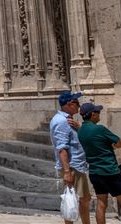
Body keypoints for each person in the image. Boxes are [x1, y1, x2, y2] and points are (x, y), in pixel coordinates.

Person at [76, 103, 121, 224]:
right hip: (109, 171)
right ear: (92, 114)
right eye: (97, 112)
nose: (99, 115)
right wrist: (110, 146)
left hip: (94, 172)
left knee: (101, 203)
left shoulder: (81, 131)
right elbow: (120, 143)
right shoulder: (99, 129)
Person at [50, 91, 92, 224]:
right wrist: (67, 172)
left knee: (78, 200)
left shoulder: (67, 120)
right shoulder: (62, 121)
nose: (79, 107)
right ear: (69, 104)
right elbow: (62, 148)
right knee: (77, 200)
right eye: (76, 103)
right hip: (73, 166)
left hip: (76, 165)